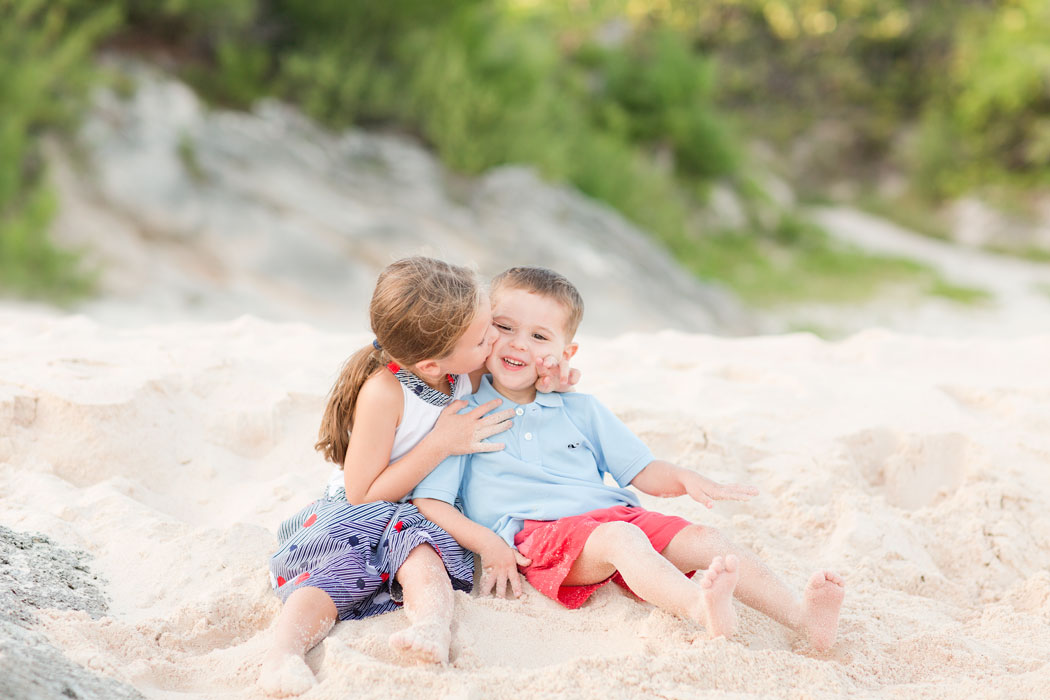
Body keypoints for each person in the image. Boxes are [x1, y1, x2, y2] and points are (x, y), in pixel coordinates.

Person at [412, 266, 846, 652]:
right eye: (504, 327)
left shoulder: (580, 408)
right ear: (484, 328)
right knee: (621, 538)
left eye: (540, 336)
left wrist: (685, 477)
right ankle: (700, 607)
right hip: (537, 535)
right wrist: (490, 546)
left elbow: (642, 472)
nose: (518, 344)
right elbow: (431, 500)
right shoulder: (465, 415)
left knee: (706, 539)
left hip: (613, 515)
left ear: (567, 353)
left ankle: (801, 616)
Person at [260, 257, 525, 696]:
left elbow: (519, 377)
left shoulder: (462, 366)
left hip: (419, 514)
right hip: (362, 511)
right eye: (484, 336)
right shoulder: (386, 393)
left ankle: (430, 629)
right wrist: (441, 442)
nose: (494, 339)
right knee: (331, 578)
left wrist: (557, 377)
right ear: (429, 365)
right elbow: (362, 494)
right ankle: (282, 656)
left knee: (423, 562)